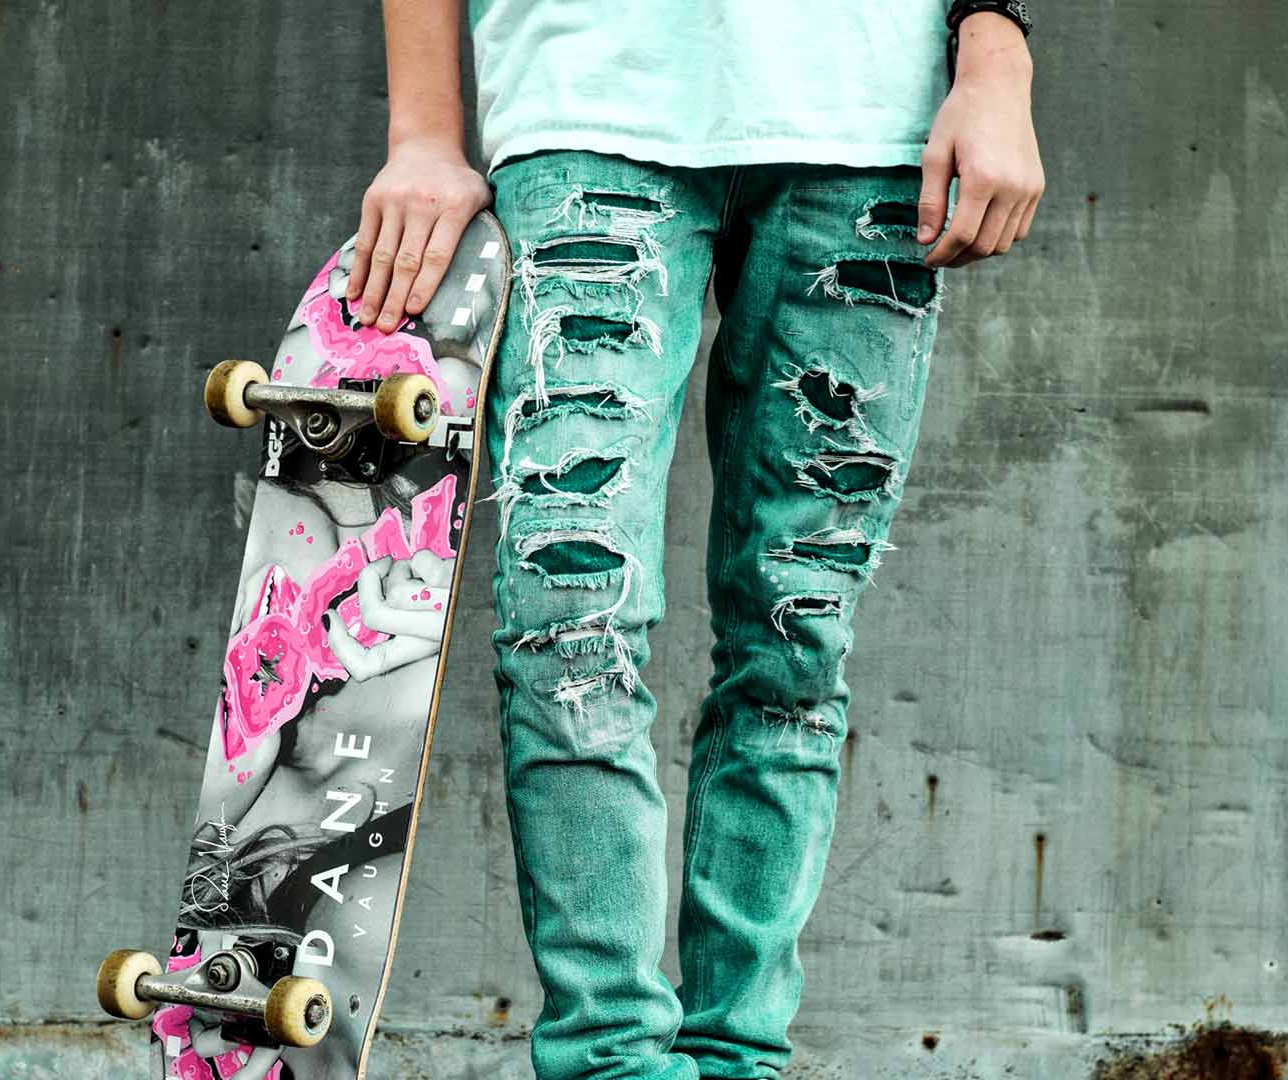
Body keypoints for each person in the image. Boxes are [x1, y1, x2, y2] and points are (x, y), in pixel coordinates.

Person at [342, 3, 1043, 1078]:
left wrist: (998, 56)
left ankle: (738, 1059)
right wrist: (425, 133)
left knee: (796, 640)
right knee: (569, 626)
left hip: (871, 125)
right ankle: (612, 1063)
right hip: (589, 96)